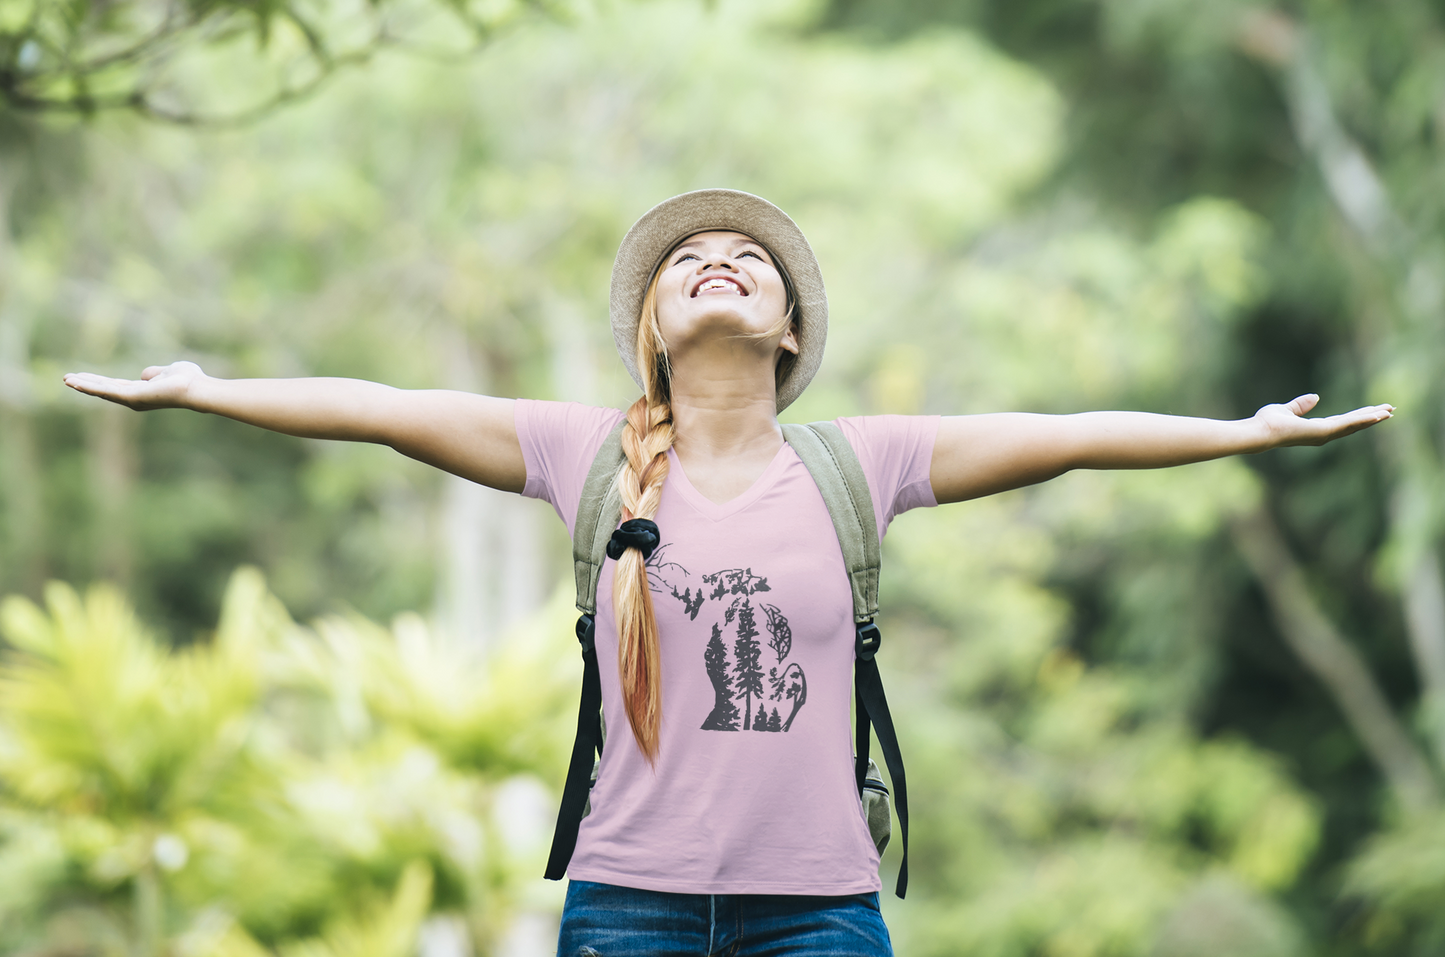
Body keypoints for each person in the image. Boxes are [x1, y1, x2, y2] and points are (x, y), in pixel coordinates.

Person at [64, 189, 1393, 957]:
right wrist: (206, 391)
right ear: (653, 327)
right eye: (691, 262)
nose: (719, 261)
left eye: (748, 261)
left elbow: (1063, 438)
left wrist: (1239, 434)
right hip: (625, 908)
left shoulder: (858, 466)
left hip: (818, 915)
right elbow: (378, 404)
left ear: (789, 330)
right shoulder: (574, 452)